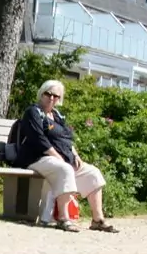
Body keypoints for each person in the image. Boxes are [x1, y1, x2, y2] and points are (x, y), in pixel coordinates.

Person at [14, 79, 118, 233]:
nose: (51, 98)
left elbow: (66, 138)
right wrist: (57, 156)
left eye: (55, 96)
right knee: (65, 169)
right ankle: (63, 218)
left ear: (59, 99)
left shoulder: (57, 116)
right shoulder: (33, 112)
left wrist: (75, 155)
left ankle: (98, 220)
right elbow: (38, 138)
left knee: (93, 172)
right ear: (41, 94)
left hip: (58, 159)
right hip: (37, 158)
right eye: (48, 94)